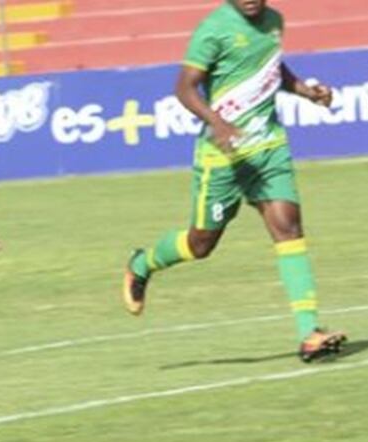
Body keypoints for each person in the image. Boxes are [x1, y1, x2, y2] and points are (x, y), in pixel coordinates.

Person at [121, 0, 346, 362]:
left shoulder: (274, 21)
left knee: (288, 228)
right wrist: (218, 123)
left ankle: (310, 333)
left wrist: (304, 90)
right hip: (222, 157)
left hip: (268, 147)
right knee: (201, 243)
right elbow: (185, 88)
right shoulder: (214, 28)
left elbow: (272, 69)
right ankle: (142, 263)